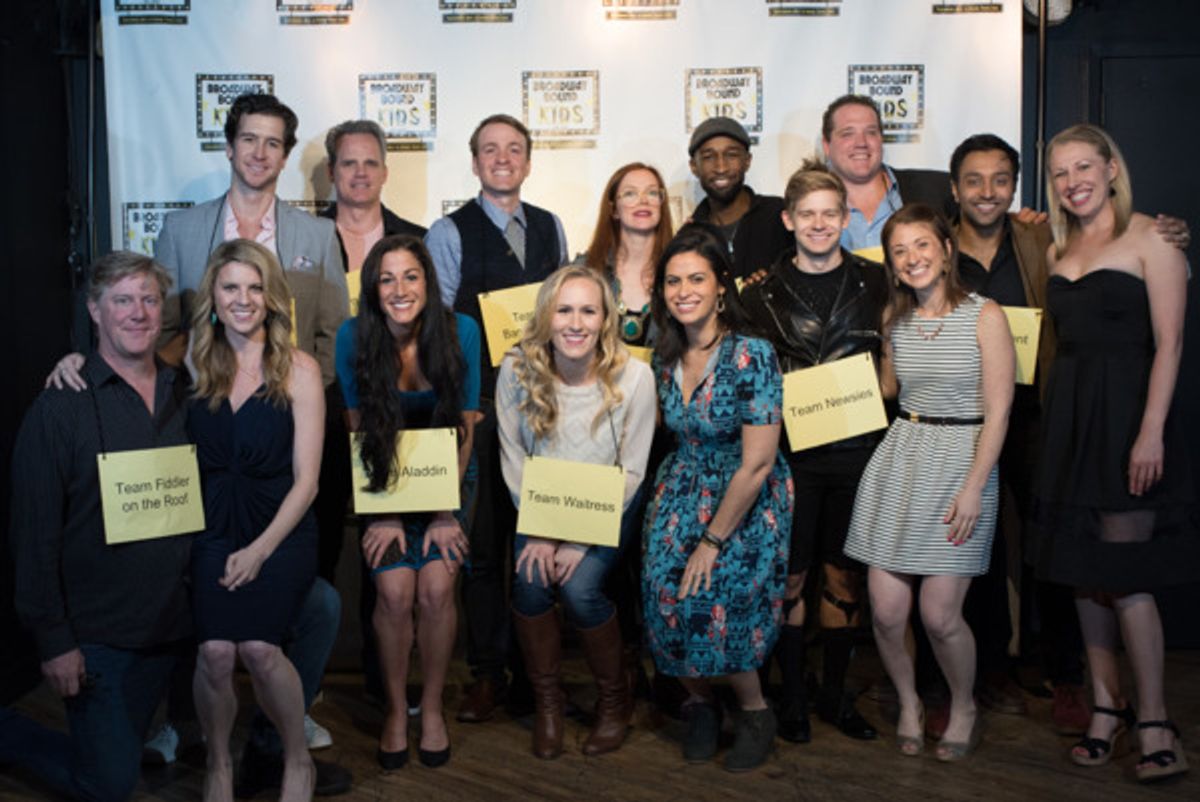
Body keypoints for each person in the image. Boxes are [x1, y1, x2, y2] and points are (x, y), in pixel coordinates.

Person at [46, 93, 350, 789]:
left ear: (283, 152)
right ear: (231, 145)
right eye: (249, 138)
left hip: (280, 443)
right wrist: (79, 363)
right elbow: (145, 326)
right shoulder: (183, 232)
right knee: (216, 647)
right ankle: (206, 744)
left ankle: (282, 739)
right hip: (211, 459)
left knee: (281, 625)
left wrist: (292, 390)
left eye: (275, 142)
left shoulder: (316, 235)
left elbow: (334, 330)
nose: (260, 152)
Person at [1033, 124, 1198, 783]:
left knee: (1127, 576)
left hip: (1129, 417)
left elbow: (1172, 344)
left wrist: (1151, 430)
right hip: (1071, 421)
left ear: (1110, 169)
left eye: (1084, 166)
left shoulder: (1154, 237)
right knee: (1082, 573)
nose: (1073, 180)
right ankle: (1106, 708)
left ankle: (1155, 719)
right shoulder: (1055, 249)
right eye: (1061, 171)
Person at [2, 252, 193, 802]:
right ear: (95, 310)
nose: (138, 313)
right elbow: (33, 537)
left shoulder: (186, 393)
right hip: (99, 641)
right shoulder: (60, 408)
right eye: (122, 300)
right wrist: (55, 642)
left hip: (175, 629)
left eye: (150, 299)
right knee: (107, 787)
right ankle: (10, 731)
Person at [843, 203, 1015, 762]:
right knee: (888, 613)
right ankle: (910, 702)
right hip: (900, 461)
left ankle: (963, 705)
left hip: (962, 464)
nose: (912, 258)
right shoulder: (896, 321)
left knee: (940, 616)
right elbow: (890, 391)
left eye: (922, 245)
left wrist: (974, 487)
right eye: (899, 251)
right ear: (891, 265)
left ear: (945, 249)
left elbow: (1000, 413)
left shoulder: (986, 315)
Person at [425, 113, 569, 723]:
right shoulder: (448, 232)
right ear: (475, 161)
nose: (502, 158)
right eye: (490, 149)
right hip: (479, 412)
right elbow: (442, 329)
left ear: (529, 161)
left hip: (544, 409)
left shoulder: (551, 226)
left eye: (514, 149)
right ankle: (489, 673)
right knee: (484, 549)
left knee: (540, 537)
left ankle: (543, 678)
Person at [739, 162, 887, 744]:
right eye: (808, 215)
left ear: (846, 218)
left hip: (857, 451)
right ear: (788, 220)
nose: (820, 224)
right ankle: (794, 697)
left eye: (831, 213)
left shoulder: (877, 282)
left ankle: (835, 695)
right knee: (791, 579)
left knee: (844, 578)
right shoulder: (759, 295)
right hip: (791, 456)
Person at [642, 224, 793, 772]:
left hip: (743, 496)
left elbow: (756, 463)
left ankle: (754, 711)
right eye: (673, 281)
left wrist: (711, 540)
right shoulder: (663, 357)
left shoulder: (752, 355)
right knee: (663, 599)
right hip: (680, 485)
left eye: (697, 279)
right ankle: (700, 704)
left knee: (719, 600)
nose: (684, 290)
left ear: (721, 285)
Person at [496, 265, 656, 758]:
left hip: (611, 502)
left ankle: (615, 701)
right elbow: (513, 458)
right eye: (564, 310)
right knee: (529, 580)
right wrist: (545, 530)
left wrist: (581, 537)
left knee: (581, 588)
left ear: (606, 318)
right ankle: (549, 703)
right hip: (540, 504)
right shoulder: (517, 367)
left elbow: (631, 473)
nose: (575, 323)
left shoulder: (636, 376)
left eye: (589, 310)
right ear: (546, 315)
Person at [335, 235, 480, 769]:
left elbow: (465, 428)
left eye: (410, 276)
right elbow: (358, 430)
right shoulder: (353, 336)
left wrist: (445, 511)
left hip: (449, 477)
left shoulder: (460, 329)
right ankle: (397, 711)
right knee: (395, 592)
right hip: (383, 474)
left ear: (428, 281)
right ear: (373, 288)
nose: (400, 289)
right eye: (387, 278)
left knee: (437, 588)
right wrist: (386, 510)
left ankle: (434, 707)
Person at [186, 239, 324, 801]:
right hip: (212, 529)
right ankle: (218, 761)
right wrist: (71, 361)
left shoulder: (300, 370)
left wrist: (262, 550)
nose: (243, 299)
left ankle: (297, 757)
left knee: (260, 650)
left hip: (279, 532)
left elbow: (308, 482)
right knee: (216, 651)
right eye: (230, 288)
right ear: (213, 299)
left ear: (270, 298)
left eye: (254, 287)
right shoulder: (193, 360)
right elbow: (120, 359)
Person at [320, 119, 428, 707]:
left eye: (369, 163)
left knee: (386, 549)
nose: (359, 173)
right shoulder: (306, 236)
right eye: (347, 163)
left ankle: (383, 683)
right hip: (325, 409)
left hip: (393, 418)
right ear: (333, 173)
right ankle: (309, 676)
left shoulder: (416, 236)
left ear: (385, 172)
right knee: (325, 542)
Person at [820, 95, 956, 254]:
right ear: (827, 145)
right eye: (848, 134)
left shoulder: (939, 190)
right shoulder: (805, 207)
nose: (861, 143)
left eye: (871, 132)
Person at [580, 162, 675, 347]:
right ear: (614, 209)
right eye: (630, 193)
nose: (643, 200)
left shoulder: (680, 272)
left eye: (652, 193)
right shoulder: (584, 270)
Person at [687, 117, 791, 279]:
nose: (721, 167)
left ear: (747, 161)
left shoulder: (780, 215)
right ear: (694, 166)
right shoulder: (691, 235)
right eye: (708, 157)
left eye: (731, 155)